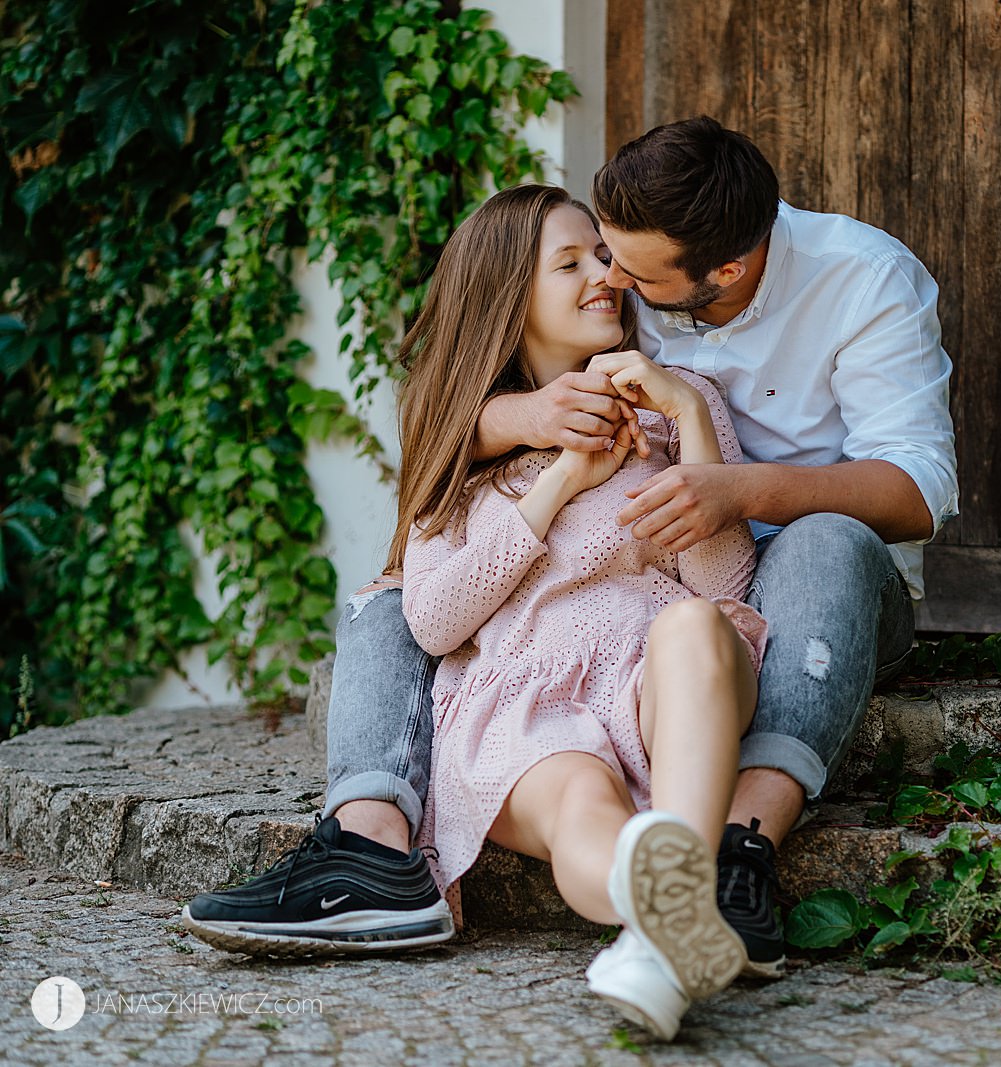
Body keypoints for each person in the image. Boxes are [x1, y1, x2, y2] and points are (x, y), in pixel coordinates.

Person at [183, 116, 958, 981]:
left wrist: (708, 453)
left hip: (769, 601)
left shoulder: (847, 290)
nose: (611, 277)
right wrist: (538, 439)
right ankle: (375, 846)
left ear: (724, 273)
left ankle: (732, 860)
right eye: (586, 259)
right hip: (538, 702)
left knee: (728, 607)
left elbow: (895, 499)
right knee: (391, 607)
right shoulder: (580, 358)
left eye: (623, 265)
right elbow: (447, 468)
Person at [193, 184, 764, 1038]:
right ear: (508, 297)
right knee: (580, 808)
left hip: (662, 675)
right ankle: (663, 922)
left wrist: (685, 417)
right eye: (568, 263)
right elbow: (431, 619)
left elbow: (724, 587)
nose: (603, 276)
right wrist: (564, 479)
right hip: (524, 701)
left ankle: (660, 928)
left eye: (602, 256)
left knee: (692, 626)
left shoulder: (680, 399)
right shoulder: (467, 452)